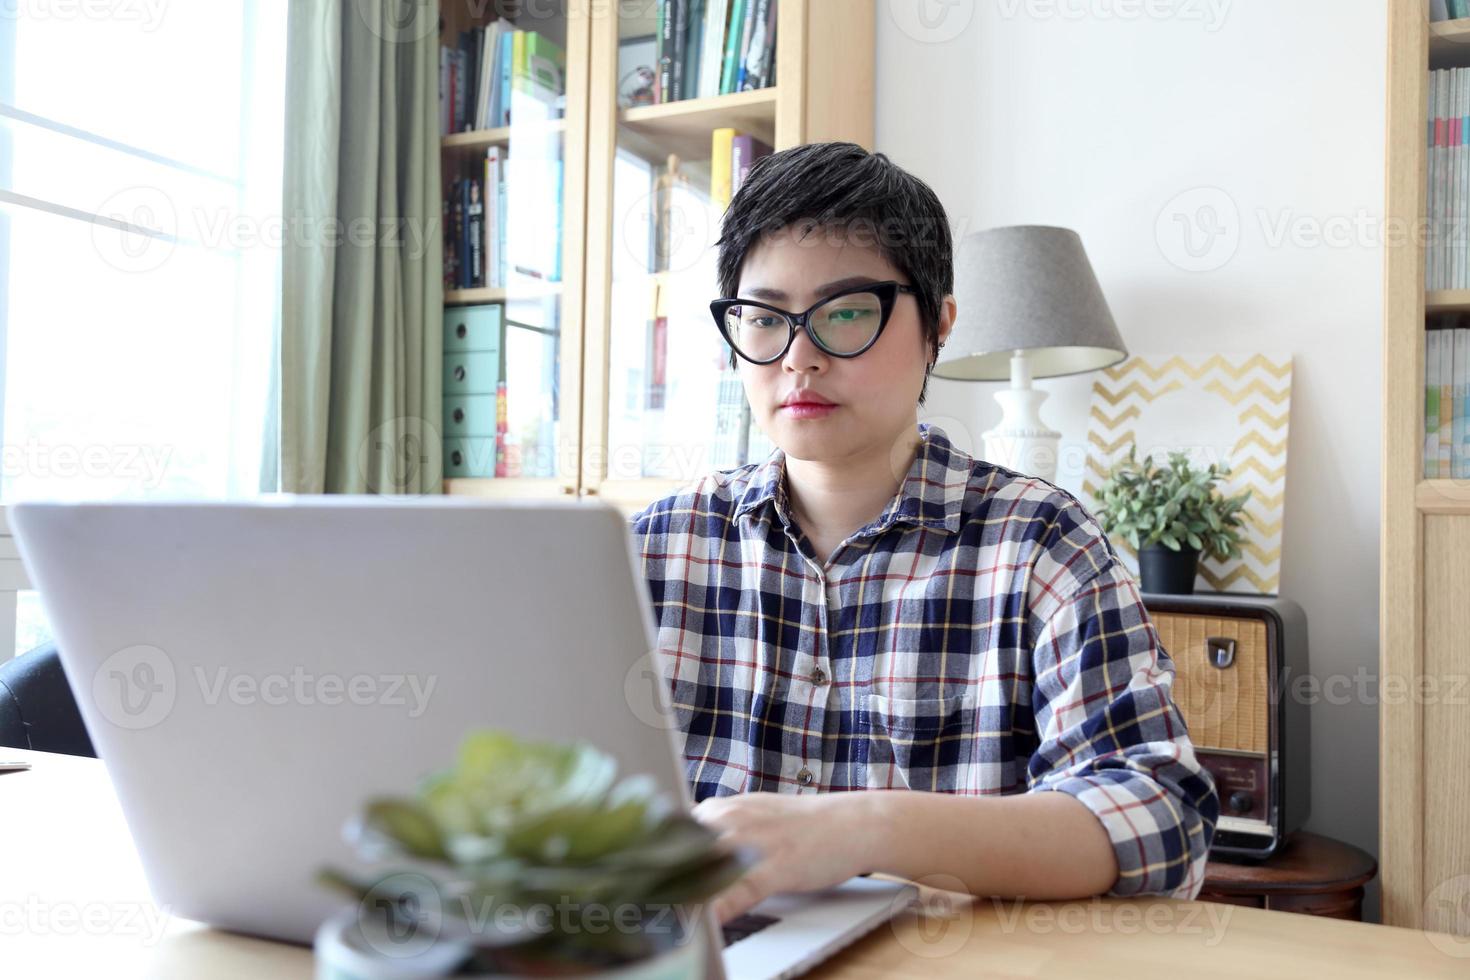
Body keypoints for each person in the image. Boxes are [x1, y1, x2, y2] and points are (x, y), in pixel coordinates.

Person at [628, 141, 1218, 924]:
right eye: (766, 319)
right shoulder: (658, 548)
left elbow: (1161, 820)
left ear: (937, 327)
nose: (798, 359)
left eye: (847, 313)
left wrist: (866, 826)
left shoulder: (1038, 542)